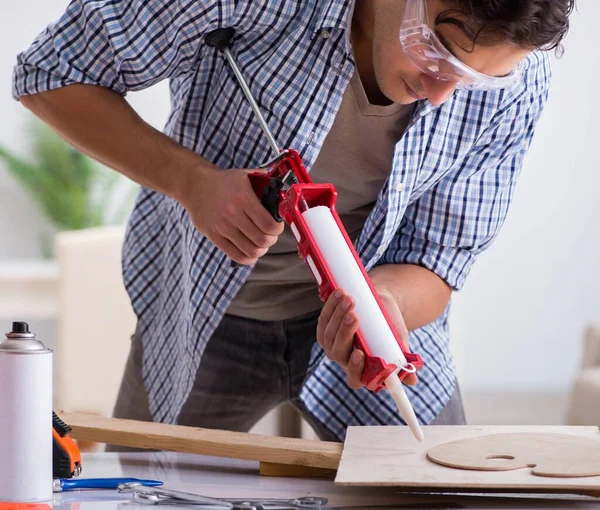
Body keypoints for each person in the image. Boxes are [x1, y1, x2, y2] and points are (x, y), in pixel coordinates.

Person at [13, 0, 573, 442]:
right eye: (438, 50)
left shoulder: (521, 83)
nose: (440, 94)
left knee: (438, 488)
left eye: (476, 80)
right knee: (142, 490)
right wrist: (192, 182)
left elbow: (441, 255)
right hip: (204, 314)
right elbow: (50, 72)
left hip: (366, 341)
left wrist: (386, 305)